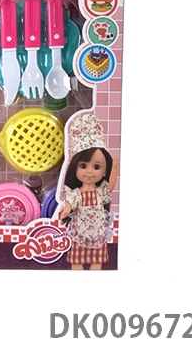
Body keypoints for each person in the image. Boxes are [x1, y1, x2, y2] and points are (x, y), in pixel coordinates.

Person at [59, 113, 120, 270]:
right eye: (83, 166)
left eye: (96, 167)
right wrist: (66, 211)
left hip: (97, 231)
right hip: (80, 232)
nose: (89, 172)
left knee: (96, 261)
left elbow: (110, 187)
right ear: (75, 168)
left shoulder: (100, 192)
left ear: (104, 171)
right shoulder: (76, 193)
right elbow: (70, 203)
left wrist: (114, 169)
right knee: (77, 260)